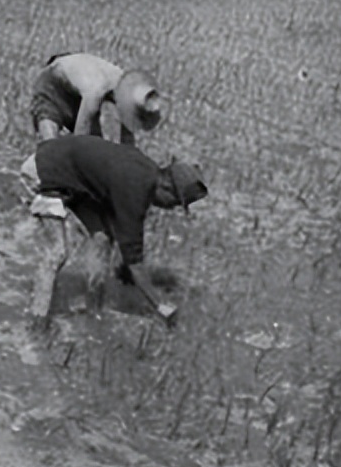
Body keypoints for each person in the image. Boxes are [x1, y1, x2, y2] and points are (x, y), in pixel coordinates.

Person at [20, 135, 207, 328]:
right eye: (174, 203)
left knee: (102, 237)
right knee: (56, 253)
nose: (170, 208)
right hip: (44, 171)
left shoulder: (147, 172)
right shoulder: (135, 190)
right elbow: (135, 263)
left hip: (74, 179)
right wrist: (160, 306)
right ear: (167, 187)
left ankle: (94, 309)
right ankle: (37, 323)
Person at [31, 52, 163, 147]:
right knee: (51, 148)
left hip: (78, 90)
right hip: (53, 81)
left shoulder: (124, 86)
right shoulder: (97, 89)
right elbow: (80, 138)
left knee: (95, 144)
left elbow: (127, 139)